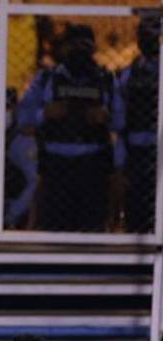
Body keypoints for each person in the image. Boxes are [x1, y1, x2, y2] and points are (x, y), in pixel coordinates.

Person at [18, 24, 116, 232]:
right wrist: (44, 113)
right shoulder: (46, 79)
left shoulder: (106, 79)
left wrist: (105, 117)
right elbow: (22, 116)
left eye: (85, 45)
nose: (79, 51)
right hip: (56, 167)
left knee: (91, 231)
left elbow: (123, 121)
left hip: (92, 166)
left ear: (93, 49)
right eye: (74, 45)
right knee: (54, 231)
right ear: (64, 48)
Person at [113, 18, 158, 234]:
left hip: (153, 146)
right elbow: (120, 118)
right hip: (137, 148)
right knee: (136, 203)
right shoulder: (129, 73)